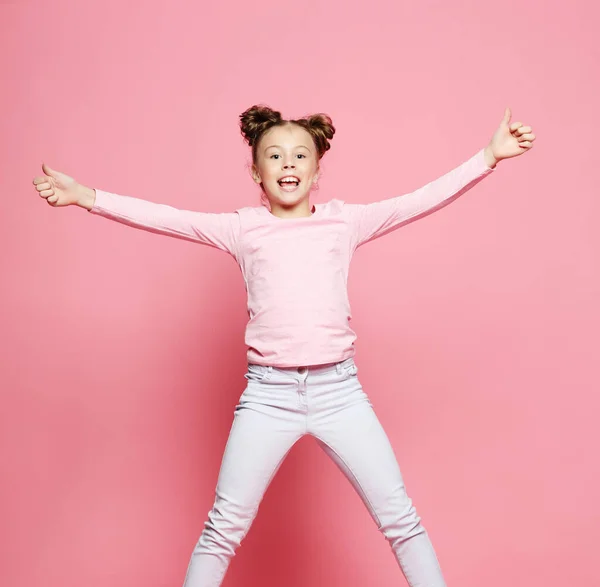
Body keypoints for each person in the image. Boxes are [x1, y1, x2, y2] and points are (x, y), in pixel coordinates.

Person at [32, 104, 535, 587]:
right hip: (266, 398)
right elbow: (166, 217)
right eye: (273, 155)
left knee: (401, 520)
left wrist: (487, 158)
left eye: (300, 155)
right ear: (255, 172)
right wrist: (87, 196)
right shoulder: (241, 228)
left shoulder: (345, 221)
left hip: (340, 393)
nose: (287, 163)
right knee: (222, 529)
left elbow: (418, 200)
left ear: (317, 171)